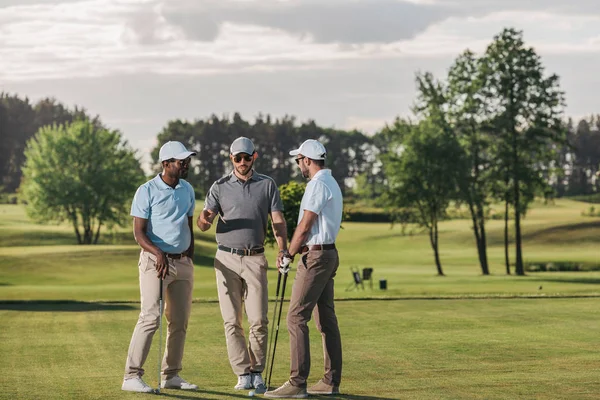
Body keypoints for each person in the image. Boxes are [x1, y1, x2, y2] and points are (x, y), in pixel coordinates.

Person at [197, 136, 289, 394]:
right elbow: (204, 222)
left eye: (246, 157)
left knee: (259, 319)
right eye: (237, 158)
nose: (241, 162)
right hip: (225, 258)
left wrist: (283, 249)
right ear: (231, 159)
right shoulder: (219, 186)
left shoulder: (267, 185)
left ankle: (257, 371)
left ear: (254, 157)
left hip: (255, 257)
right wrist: (203, 220)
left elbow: (278, 221)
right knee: (231, 320)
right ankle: (242, 372)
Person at [265, 139, 343, 399]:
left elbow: (305, 225)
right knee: (325, 319)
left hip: (316, 257)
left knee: (296, 317)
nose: (298, 164)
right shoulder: (331, 182)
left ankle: (297, 383)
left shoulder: (317, 185)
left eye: (299, 160)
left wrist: (288, 253)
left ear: (307, 160)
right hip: (328, 253)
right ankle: (330, 381)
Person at [122, 141, 199, 393]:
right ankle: (131, 376)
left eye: (187, 160)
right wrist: (158, 253)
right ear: (166, 164)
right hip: (155, 263)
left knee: (179, 321)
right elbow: (139, 233)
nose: (186, 164)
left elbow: (188, 224)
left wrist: (189, 256)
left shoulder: (187, 189)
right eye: (181, 161)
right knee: (150, 317)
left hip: (182, 263)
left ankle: (171, 375)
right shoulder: (146, 190)